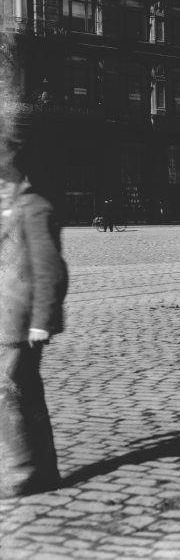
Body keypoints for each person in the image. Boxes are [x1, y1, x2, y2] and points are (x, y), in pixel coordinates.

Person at [0, 167, 69, 498]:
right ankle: (43, 468)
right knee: (25, 388)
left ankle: (25, 472)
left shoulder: (35, 206)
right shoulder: (10, 208)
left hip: (24, 319)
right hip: (9, 316)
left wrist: (43, 320)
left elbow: (50, 267)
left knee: (9, 388)